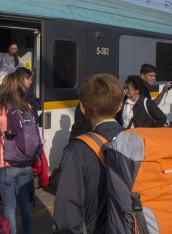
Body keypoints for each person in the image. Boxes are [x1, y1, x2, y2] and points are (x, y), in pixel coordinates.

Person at [53, 74, 124, 233]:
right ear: (120, 105)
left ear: (82, 107)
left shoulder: (77, 151)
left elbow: (67, 218)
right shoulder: (137, 141)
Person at [0, 72, 33, 234]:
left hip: (6, 163)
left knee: (9, 206)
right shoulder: (26, 106)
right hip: (25, 163)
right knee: (24, 203)